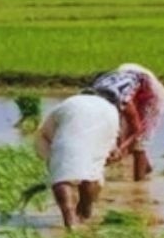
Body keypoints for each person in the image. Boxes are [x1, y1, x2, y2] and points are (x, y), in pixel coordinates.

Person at [35, 94, 121, 228]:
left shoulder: (68, 103)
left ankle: (70, 220)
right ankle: (85, 214)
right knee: (91, 173)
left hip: (69, 127)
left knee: (62, 178)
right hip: (104, 126)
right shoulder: (111, 109)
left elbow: (45, 134)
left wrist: (57, 161)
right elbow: (111, 143)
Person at [85, 63, 164, 181]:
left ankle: (139, 183)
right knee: (123, 132)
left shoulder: (124, 101)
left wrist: (121, 148)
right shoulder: (92, 98)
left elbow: (137, 130)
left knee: (140, 142)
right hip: (134, 83)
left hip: (153, 96)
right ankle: (146, 168)